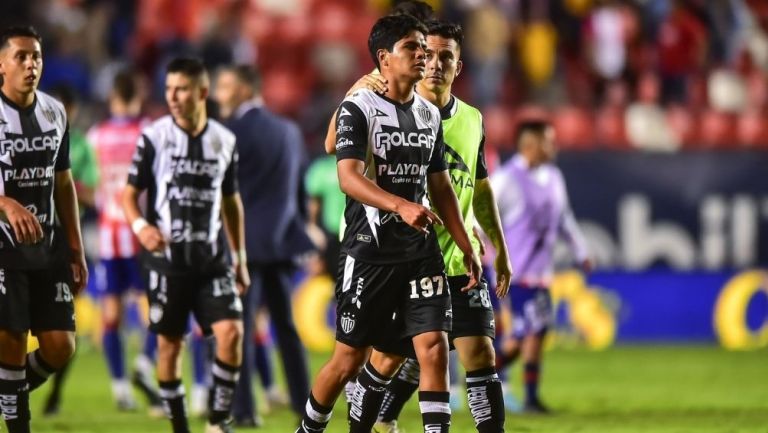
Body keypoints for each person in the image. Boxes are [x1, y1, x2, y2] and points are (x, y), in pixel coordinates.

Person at [295, 14, 481, 433]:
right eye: (413, 49)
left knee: (433, 348)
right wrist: (400, 205)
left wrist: (464, 241)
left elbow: (440, 186)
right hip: (370, 250)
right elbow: (348, 177)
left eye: (426, 49)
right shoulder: (359, 108)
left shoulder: (429, 116)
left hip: (420, 251)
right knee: (348, 361)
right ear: (384, 58)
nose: (423, 56)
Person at [122, 57, 249, 433]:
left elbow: (231, 202)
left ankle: (218, 422)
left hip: (212, 260)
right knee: (169, 347)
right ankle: (180, 428)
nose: (173, 97)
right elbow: (129, 197)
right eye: (168, 89)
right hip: (168, 264)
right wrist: (142, 226)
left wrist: (240, 259)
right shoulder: (154, 137)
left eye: (181, 89)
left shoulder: (224, 141)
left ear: (202, 93)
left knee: (232, 333)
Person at [213, 64, 313, 426]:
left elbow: (219, 193)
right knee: (286, 328)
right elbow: (300, 192)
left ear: (243, 89)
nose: (217, 93)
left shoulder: (226, 132)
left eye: (224, 86)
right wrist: (298, 232)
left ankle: (244, 410)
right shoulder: (288, 131)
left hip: (243, 247)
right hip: (282, 242)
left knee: (237, 327)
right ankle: (306, 406)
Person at [0, 25, 88, 433]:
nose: (31, 64)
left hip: (47, 247)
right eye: (21, 56)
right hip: (4, 248)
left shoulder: (55, 112)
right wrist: (6, 203)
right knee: (12, 341)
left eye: (36, 56)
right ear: (1, 64)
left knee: (59, 346)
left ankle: (4, 394)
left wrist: (76, 249)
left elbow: (64, 183)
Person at [491, 120, 592, 413]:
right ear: (529, 145)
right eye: (548, 141)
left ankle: (508, 386)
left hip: (543, 273)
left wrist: (581, 250)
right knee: (528, 334)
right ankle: (489, 379)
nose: (554, 146)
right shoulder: (506, 179)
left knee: (534, 333)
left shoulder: (554, 177)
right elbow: (480, 215)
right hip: (517, 272)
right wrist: (489, 252)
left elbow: (565, 219)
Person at [86, 68, 162, 413]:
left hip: (107, 236)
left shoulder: (95, 136)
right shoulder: (148, 133)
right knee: (156, 310)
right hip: (140, 233)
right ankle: (144, 365)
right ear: (137, 97)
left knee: (111, 314)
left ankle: (120, 388)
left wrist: (102, 200)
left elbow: (76, 183)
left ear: (113, 97)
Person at [40, 82, 99, 416]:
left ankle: (55, 393)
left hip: (66, 240)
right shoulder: (28, 133)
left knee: (65, 329)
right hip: (28, 237)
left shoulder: (81, 146)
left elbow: (92, 193)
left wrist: (68, 186)